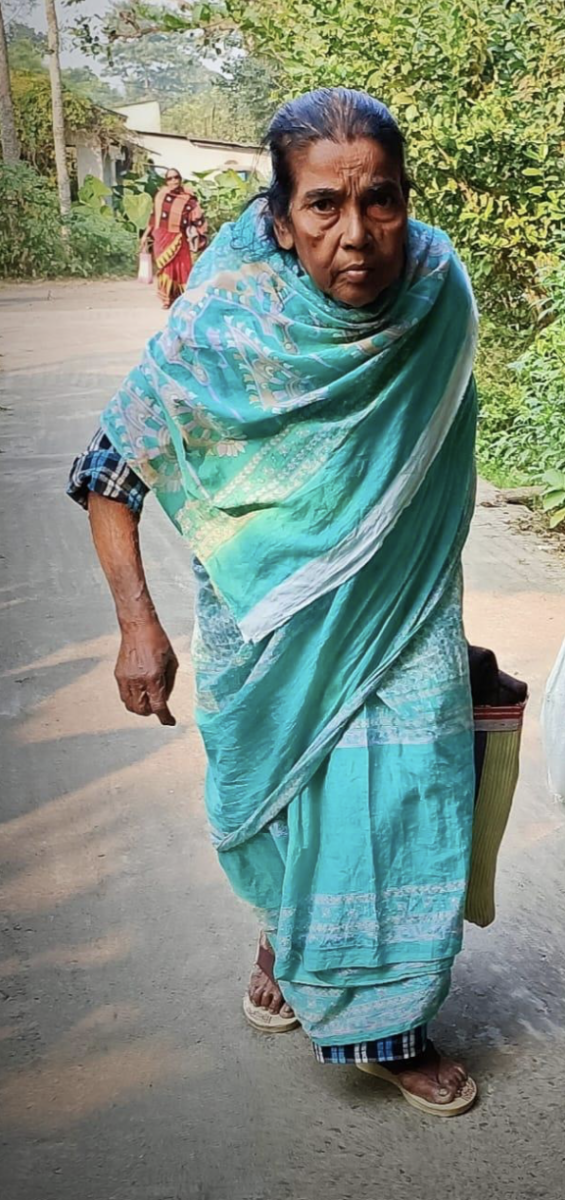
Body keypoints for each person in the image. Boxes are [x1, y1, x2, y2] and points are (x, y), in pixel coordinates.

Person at [68, 88, 479, 1117]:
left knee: (407, 793)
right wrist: (137, 628)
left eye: (380, 202)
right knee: (288, 805)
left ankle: (389, 1021)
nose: (356, 236)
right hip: (268, 624)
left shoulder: (439, 290)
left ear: (408, 199)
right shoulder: (230, 314)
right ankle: (287, 930)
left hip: (401, 600)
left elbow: (431, 457)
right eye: (323, 207)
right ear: (280, 214)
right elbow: (108, 470)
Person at [140, 168, 208, 309]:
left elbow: (197, 216)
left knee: (182, 267)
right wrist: (145, 235)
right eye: (170, 178)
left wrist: (200, 234)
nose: (173, 181)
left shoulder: (188, 198)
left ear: (180, 178)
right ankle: (167, 298)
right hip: (160, 236)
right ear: (166, 181)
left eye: (176, 177)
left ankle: (183, 297)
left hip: (178, 236)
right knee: (165, 267)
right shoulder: (161, 195)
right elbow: (153, 217)